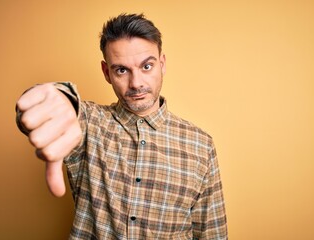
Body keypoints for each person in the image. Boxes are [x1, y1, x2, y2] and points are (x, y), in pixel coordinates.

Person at [16, 13, 227, 239]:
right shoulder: (88, 123)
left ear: (162, 64)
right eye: (122, 70)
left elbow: (211, 233)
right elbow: (60, 105)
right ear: (107, 73)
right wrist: (52, 100)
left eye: (146, 66)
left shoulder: (201, 145)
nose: (136, 83)